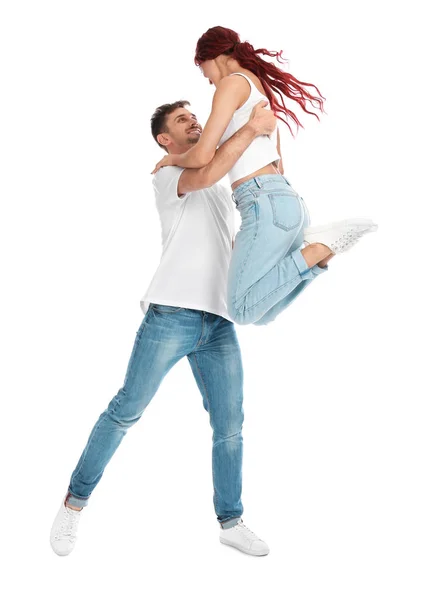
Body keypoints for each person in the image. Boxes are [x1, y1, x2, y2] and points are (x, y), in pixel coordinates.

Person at [50, 99, 278, 558]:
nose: (194, 120)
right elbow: (207, 168)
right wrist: (251, 128)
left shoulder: (211, 177)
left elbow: (221, 171)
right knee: (125, 411)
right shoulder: (167, 175)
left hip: (217, 321)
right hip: (171, 315)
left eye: (196, 114)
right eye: (182, 119)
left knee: (229, 426)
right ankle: (73, 504)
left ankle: (230, 522)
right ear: (164, 140)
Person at [152, 26, 378, 326]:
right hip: (286, 201)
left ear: (213, 56)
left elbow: (204, 155)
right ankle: (319, 255)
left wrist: (172, 157)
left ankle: (319, 248)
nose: (205, 77)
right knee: (260, 313)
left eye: (202, 67)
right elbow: (279, 165)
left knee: (241, 310)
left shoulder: (231, 85)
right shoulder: (258, 90)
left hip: (263, 200)